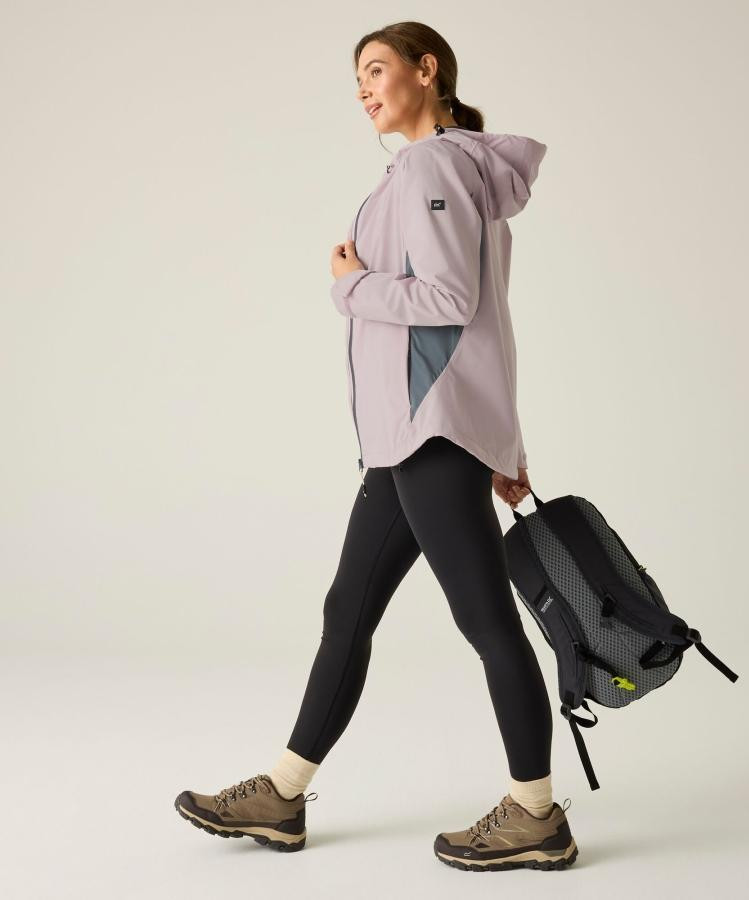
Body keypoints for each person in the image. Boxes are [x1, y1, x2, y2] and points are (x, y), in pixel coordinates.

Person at [174, 21, 578, 872]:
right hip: (415, 437)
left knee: (486, 621)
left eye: (377, 69)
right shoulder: (440, 170)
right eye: (357, 76)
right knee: (348, 611)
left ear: (427, 71)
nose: (363, 88)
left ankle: (536, 814)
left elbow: (450, 300)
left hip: (429, 432)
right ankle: (283, 795)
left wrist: (350, 285)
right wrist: (504, 442)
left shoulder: (433, 167)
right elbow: (491, 323)